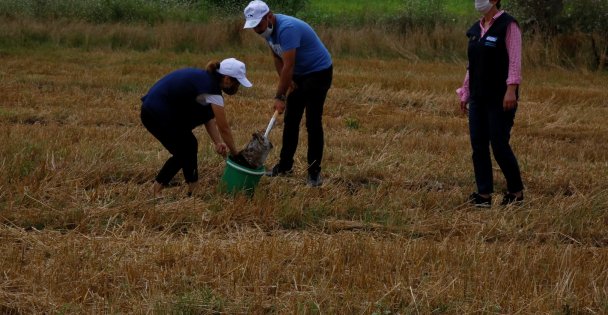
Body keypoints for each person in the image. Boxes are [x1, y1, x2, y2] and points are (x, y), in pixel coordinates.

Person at [243, 0, 333, 187]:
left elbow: (289, 64)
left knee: (313, 122)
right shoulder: (266, 30)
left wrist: (280, 96)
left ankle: (314, 173)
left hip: (318, 72)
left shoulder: (287, 29)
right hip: (299, 74)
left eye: (258, 25)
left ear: (269, 16)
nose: (257, 30)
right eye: (253, 27)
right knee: (291, 121)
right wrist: (288, 82)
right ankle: (284, 167)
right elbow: (277, 57)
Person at [140, 58, 253, 197]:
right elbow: (224, 128)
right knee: (183, 151)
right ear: (228, 79)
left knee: (190, 144)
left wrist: (218, 142)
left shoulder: (206, 81)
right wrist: (236, 155)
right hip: (156, 113)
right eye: (238, 84)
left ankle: (193, 189)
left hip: (156, 111)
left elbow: (208, 117)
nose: (237, 88)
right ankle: (155, 190)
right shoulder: (211, 89)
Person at [457, 0, 524, 207]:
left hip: (500, 97)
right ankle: (483, 195)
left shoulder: (508, 25)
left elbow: (514, 60)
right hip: (478, 97)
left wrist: (511, 89)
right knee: (478, 145)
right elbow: (472, 64)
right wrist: (465, 91)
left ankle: (516, 192)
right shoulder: (476, 29)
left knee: (499, 145)